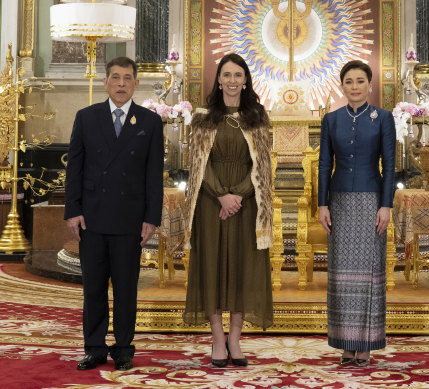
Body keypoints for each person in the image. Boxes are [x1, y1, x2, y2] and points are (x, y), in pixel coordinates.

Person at [64, 57, 164, 371]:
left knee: (125, 289)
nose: (121, 84)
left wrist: (152, 218)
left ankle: (123, 348)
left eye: (127, 78)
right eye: (116, 77)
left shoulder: (149, 122)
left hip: (129, 221)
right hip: (91, 219)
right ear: (106, 82)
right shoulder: (86, 117)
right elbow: (75, 170)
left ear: (135, 84)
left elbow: (153, 175)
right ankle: (94, 348)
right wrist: (73, 211)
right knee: (93, 289)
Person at [183, 53, 273, 367]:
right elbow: (198, 164)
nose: (232, 80)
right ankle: (217, 338)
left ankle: (235, 339)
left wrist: (239, 196)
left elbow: (263, 164)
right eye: (227, 75)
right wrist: (222, 195)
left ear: (246, 80)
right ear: (218, 80)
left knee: (241, 268)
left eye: (238, 75)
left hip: (247, 205)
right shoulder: (203, 116)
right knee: (212, 266)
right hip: (210, 204)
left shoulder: (257, 116)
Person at [318, 60, 396, 366]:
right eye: (349, 81)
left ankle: (365, 345)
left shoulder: (383, 118)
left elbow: (389, 165)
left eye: (360, 81)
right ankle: (345, 346)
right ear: (342, 86)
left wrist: (386, 205)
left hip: (371, 202)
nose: (354, 86)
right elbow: (325, 164)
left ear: (370, 84)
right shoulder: (332, 119)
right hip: (338, 203)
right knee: (341, 276)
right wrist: (322, 204)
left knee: (369, 275)